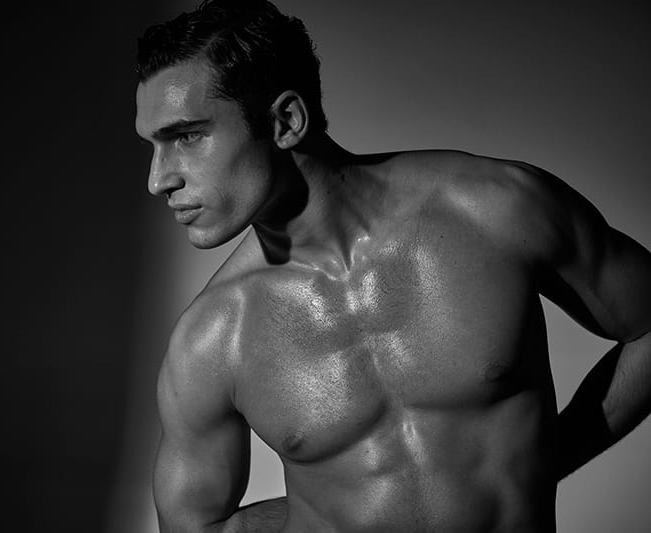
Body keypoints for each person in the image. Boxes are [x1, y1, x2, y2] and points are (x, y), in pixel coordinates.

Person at [134, 1, 651, 531]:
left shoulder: (495, 211)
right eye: (153, 146)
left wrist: (539, 464)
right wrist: (328, 515)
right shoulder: (213, 336)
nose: (158, 179)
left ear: (285, 121)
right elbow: (192, 527)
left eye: (187, 136)